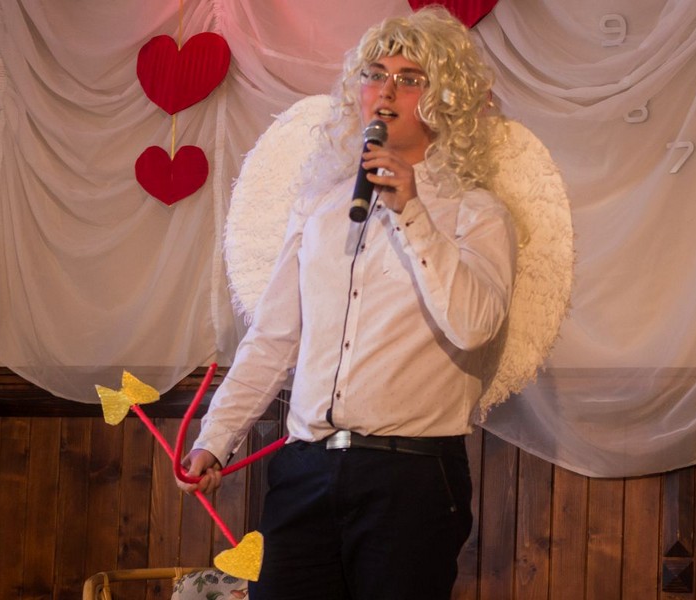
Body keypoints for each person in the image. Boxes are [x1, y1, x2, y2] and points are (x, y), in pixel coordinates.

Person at [176, 6, 517, 599]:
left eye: (409, 79)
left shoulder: (476, 213)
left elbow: (474, 326)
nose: (385, 91)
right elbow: (274, 337)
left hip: (411, 474)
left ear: (444, 100)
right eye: (374, 74)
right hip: (304, 471)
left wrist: (412, 212)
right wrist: (216, 437)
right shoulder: (322, 207)